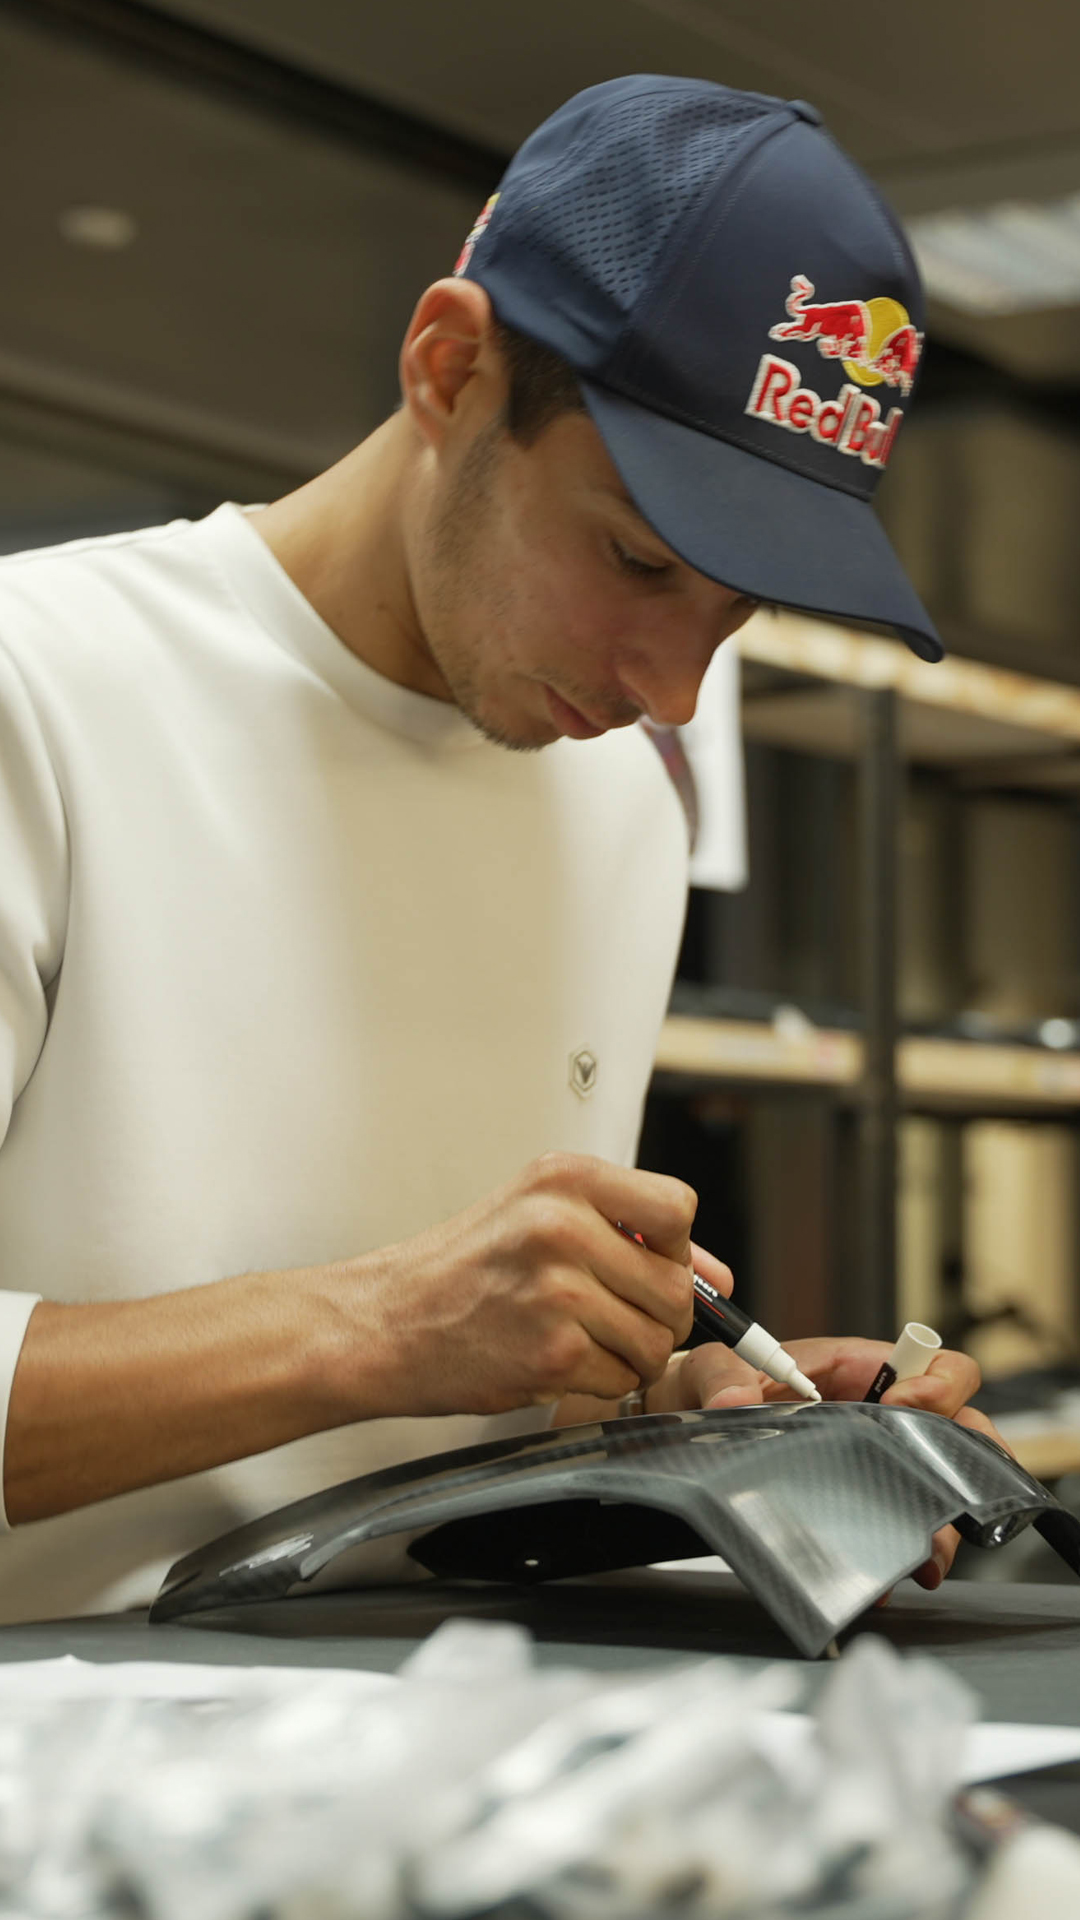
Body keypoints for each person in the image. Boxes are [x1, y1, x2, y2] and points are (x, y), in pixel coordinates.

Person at [0, 75, 998, 1623]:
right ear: (450, 368)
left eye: (734, 612)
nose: (674, 691)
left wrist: (684, 1405)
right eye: (637, 559)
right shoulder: (41, 690)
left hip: (448, 1719)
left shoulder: (623, 804)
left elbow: (462, 1417)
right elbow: (406, 1337)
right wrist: (379, 1329)